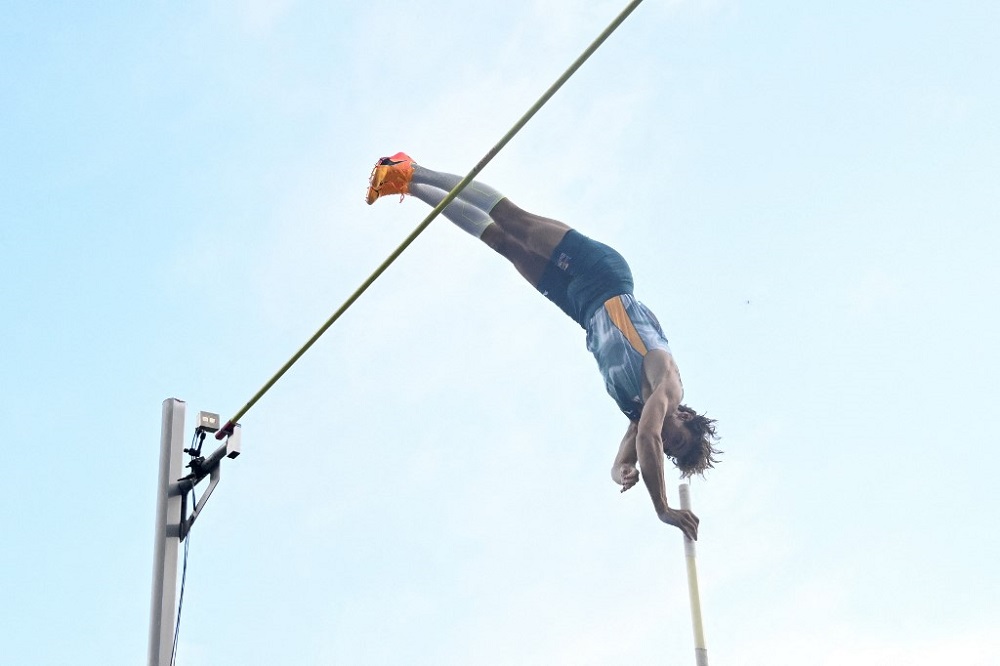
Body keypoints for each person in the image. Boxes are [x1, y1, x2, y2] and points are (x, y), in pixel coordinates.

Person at [366, 153, 719, 540]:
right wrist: (662, 509)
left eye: (673, 450)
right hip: (602, 276)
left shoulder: (639, 413)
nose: (668, 443)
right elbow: (648, 439)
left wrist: (622, 471)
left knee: (506, 246)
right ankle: (415, 169)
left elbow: (625, 455)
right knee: (516, 223)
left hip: (580, 306)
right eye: (678, 439)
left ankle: (409, 186)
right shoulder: (668, 388)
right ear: (685, 416)